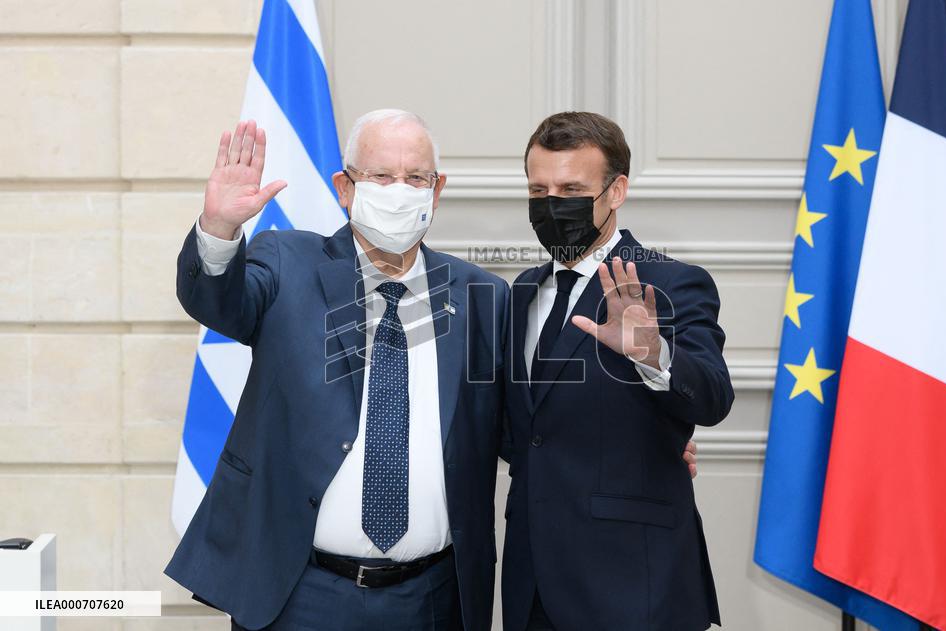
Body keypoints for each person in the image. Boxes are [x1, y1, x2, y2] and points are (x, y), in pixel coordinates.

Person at [165, 110, 508, 631]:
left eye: (416, 178)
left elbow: (520, 430)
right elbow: (218, 303)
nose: (400, 191)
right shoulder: (288, 262)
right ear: (344, 188)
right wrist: (219, 229)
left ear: (436, 192)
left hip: (432, 599)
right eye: (381, 176)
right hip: (300, 593)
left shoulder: (482, 295)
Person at [501, 112, 734, 631]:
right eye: (538, 190)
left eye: (571, 189)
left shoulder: (671, 281)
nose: (552, 205)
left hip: (634, 584)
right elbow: (525, 429)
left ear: (616, 192)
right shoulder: (521, 291)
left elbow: (713, 396)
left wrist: (653, 355)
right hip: (532, 583)